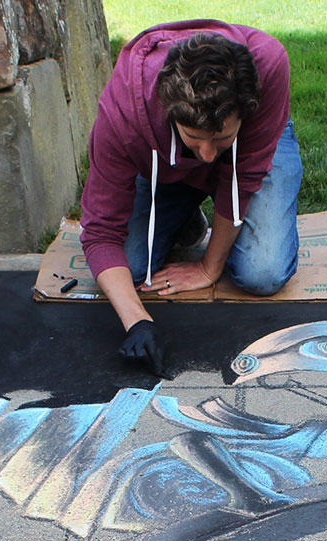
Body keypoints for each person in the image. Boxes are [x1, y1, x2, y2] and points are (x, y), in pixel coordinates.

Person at [78, 20, 302, 376]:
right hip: (162, 161)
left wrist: (208, 268)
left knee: (263, 273)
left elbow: (241, 177)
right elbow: (100, 231)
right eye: (194, 138)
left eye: (221, 138)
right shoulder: (122, 114)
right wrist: (137, 322)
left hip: (254, 151)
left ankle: (200, 196)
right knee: (131, 268)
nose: (208, 154)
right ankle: (185, 214)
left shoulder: (270, 63)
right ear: (170, 113)